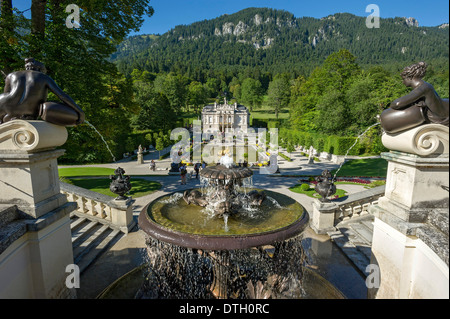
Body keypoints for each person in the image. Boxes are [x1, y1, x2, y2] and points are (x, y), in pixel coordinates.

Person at [0, 58, 85, 126]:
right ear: (40, 69)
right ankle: (24, 116)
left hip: (6, 108)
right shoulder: (43, 77)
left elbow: (6, 93)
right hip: (28, 110)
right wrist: (79, 111)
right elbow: (62, 96)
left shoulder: (11, 75)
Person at [380, 61, 449, 134]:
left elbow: (397, 104)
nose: (403, 82)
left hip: (442, 120)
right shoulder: (426, 85)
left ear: (410, 77)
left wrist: (392, 105)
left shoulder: (422, 88)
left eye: (404, 79)